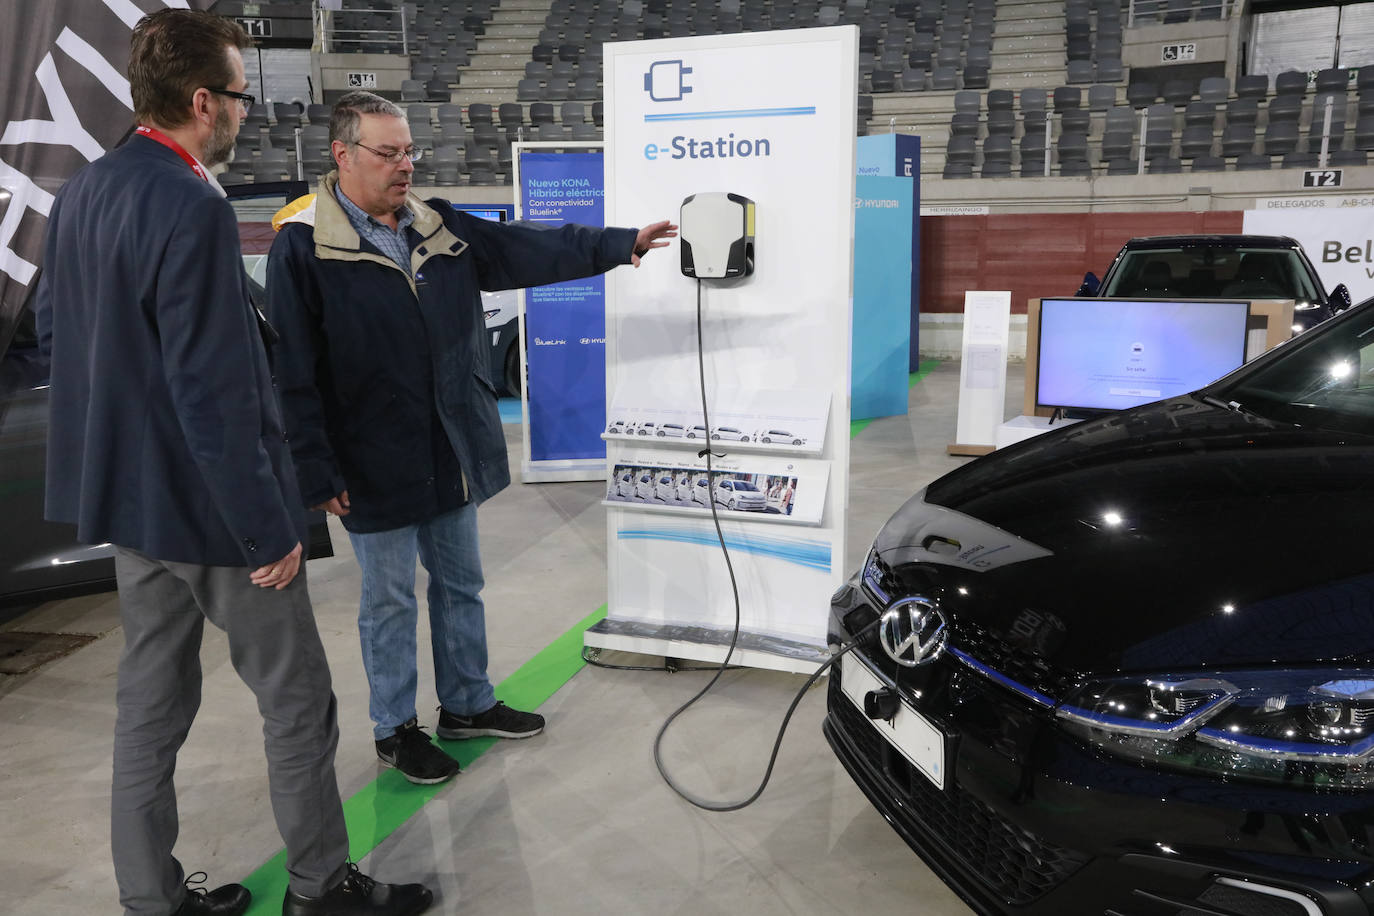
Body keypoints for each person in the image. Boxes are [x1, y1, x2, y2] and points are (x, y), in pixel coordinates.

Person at [36, 12, 431, 916]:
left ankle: (152, 898)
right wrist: (270, 527)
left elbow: (65, 344)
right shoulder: (190, 202)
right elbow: (213, 390)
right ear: (203, 101)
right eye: (243, 95)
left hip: (132, 508)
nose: (249, 112)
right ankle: (320, 887)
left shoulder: (84, 191)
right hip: (216, 516)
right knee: (298, 703)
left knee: (149, 709)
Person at [265, 90, 675, 785]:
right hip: (369, 461)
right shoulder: (304, 246)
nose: (404, 166)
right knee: (388, 601)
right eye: (388, 153)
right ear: (342, 154)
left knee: (461, 584)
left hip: (450, 445)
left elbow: (528, 246)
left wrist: (617, 244)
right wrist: (314, 469)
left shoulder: (440, 227)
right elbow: (292, 373)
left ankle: (467, 704)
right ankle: (396, 728)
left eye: (409, 152)